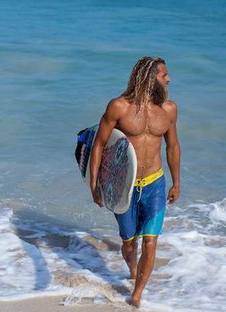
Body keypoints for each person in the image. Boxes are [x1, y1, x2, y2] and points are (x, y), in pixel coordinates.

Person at [89, 56, 180, 308]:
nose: (169, 79)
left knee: (150, 241)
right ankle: (132, 268)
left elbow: (172, 146)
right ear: (152, 78)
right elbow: (98, 144)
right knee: (129, 243)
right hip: (123, 187)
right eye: (164, 75)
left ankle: (137, 293)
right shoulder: (119, 107)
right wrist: (95, 184)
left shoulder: (169, 110)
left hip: (154, 183)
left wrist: (176, 182)